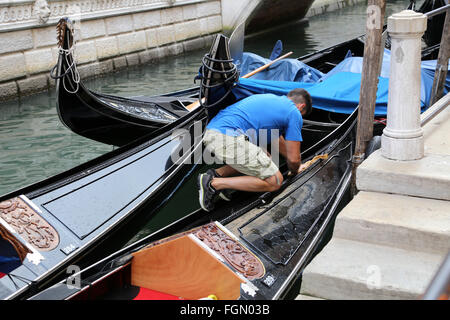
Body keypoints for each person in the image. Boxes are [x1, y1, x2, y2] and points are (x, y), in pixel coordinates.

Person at [197, 88, 312, 212]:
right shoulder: (294, 112)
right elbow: (294, 160)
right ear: (301, 106)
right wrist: (296, 170)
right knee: (275, 181)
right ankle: (213, 184)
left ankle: (218, 174)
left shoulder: (271, 99)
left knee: (265, 157)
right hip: (226, 138)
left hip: (214, 133)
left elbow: (277, 139)